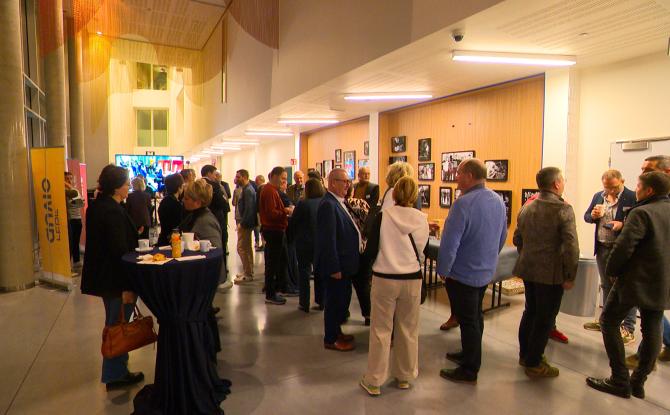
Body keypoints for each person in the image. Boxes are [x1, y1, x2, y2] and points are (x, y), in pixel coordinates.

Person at [586, 171, 670, 400]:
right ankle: (638, 382)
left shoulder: (641, 212)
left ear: (649, 190)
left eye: (640, 186)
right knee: (653, 329)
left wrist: (612, 271)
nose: (637, 189)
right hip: (661, 281)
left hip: (634, 280)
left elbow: (624, 248)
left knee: (608, 321)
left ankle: (619, 380)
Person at [437, 158, 507, 384]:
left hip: (462, 274)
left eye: (458, 173)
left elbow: (450, 242)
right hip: (484, 272)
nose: (455, 177)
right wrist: (489, 258)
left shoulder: (462, 204)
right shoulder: (497, 200)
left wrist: (443, 270)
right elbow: (502, 236)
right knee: (475, 316)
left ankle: (469, 369)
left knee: (468, 321)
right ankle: (469, 355)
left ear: (468, 175)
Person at [359, 177, 429, 396]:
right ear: (415, 195)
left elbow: (371, 250)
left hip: (385, 278)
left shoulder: (383, 217)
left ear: (395, 194)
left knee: (381, 330)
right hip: (412, 279)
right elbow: (421, 250)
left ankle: (374, 380)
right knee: (408, 329)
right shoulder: (422, 219)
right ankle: (404, 376)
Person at [80, 164, 143, 391]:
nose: (128, 188)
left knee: (115, 323)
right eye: (126, 184)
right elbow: (119, 253)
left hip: (104, 278)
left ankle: (117, 370)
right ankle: (115, 373)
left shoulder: (98, 207)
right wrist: (127, 286)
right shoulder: (113, 212)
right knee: (117, 326)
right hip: (116, 281)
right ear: (117, 188)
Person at [514, 167, 580, 378]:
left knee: (530, 311)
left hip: (528, 268)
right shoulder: (563, 209)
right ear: (556, 184)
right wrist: (570, 275)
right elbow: (571, 246)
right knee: (545, 318)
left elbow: (517, 238)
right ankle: (534, 363)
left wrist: (527, 255)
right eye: (563, 180)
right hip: (550, 274)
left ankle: (525, 355)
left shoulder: (527, 206)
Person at [625, 155, 670, 369]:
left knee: (652, 313)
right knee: (653, 311)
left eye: (648, 169)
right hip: (650, 267)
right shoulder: (650, 198)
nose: (642, 174)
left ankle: (645, 360)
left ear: (666, 172)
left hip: (657, 267)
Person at [582, 170, 637, 344]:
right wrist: (593, 216)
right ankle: (606, 320)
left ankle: (628, 327)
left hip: (621, 249)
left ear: (622, 181)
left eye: (613, 187)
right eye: (607, 187)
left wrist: (623, 225)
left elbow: (638, 224)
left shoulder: (632, 197)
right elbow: (586, 216)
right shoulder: (599, 196)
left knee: (625, 288)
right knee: (606, 285)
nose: (610, 191)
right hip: (603, 247)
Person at [316, 168, 362, 351]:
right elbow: (328, 240)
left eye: (348, 181)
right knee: (334, 303)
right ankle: (331, 338)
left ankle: (337, 331)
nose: (348, 185)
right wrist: (334, 267)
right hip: (337, 266)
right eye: (344, 181)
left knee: (341, 301)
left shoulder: (338, 202)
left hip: (346, 264)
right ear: (332, 182)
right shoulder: (328, 205)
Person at [180, 179, 226, 289]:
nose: (183, 200)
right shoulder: (195, 216)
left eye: (186, 198)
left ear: (197, 202)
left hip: (205, 276)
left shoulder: (205, 221)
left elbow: (215, 250)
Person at [289, 178, 325, 311]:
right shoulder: (324, 202)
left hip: (304, 242)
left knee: (304, 272)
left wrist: (291, 238)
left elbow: (294, 223)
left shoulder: (303, 204)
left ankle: (304, 303)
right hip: (320, 242)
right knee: (320, 272)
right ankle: (321, 301)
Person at [259, 167, 291, 305]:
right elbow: (272, 213)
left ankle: (274, 289)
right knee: (273, 263)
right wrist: (286, 211)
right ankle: (271, 293)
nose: (284, 181)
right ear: (275, 176)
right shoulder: (269, 191)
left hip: (275, 229)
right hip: (273, 230)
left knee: (277, 262)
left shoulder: (271, 190)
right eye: (283, 178)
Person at [202, 165, 232, 289]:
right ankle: (221, 277)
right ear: (209, 173)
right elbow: (223, 203)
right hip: (218, 220)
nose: (216, 176)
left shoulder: (198, 184)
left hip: (208, 222)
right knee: (219, 247)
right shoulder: (214, 186)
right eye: (214, 173)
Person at [346, 183, 371, 325]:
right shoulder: (362, 204)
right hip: (364, 248)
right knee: (363, 284)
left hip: (348, 248)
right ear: (353, 191)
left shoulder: (341, 206)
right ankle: (368, 314)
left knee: (346, 283)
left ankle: (343, 312)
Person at [233, 169, 257, 284]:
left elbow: (249, 209)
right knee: (247, 248)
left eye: (238, 177)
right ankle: (248, 271)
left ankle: (248, 273)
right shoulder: (246, 189)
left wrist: (242, 224)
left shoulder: (248, 190)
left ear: (244, 177)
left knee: (241, 248)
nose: (236, 179)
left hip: (246, 224)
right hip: (247, 223)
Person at [156, 173, 184, 246]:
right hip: (172, 241)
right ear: (179, 187)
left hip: (163, 238)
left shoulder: (163, 201)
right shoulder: (176, 204)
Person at [64, 172, 84, 266]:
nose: (69, 180)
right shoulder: (65, 192)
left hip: (78, 218)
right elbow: (75, 203)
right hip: (69, 219)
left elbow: (80, 204)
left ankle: (76, 261)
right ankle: (68, 263)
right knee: (70, 243)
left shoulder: (74, 190)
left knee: (76, 241)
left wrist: (75, 202)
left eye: (70, 178)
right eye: (67, 179)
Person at [254, 175, 266, 251]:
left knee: (261, 228)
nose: (255, 182)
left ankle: (264, 244)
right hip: (263, 212)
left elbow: (259, 201)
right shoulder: (265, 187)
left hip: (260, 212)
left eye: (256, 180)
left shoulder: (260, 188)